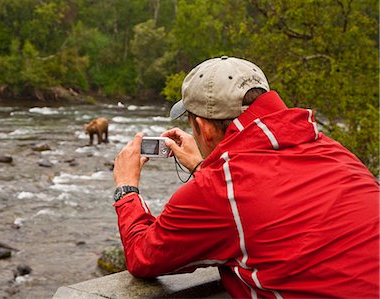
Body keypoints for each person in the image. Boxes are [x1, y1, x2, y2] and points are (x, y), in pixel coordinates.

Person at [112, 56, 379, 298]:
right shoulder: (334, 151)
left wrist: (126, 189)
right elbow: (265, 190)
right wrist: (204, 166)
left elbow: (142, 256)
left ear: (203, 129)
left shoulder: (218, 189)